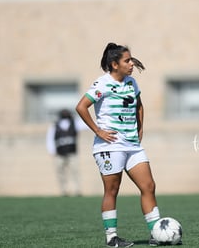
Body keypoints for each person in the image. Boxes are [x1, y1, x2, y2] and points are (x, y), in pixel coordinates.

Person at [76, 43, 160, 247]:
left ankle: (158, 233)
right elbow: (81, 107)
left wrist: (140, 128)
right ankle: (111, 238)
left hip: (132, 145)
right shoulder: (101, 84)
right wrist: (98, 131)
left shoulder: (132, 82)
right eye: (127, 60)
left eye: (131, 60)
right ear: (114, 64)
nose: (131, 64)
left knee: (148, 186)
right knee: (112, 191)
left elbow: (139, 105)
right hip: (109, 146)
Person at [46, 108, 87, 196]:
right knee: (60, 172)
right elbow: (50, 138)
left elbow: (86, 124)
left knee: (75, 171)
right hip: (59, 153)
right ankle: (64, 190)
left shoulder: (75, 123)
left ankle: (77, 190)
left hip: (72, 153)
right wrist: (52, 151)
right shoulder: (54, 125)